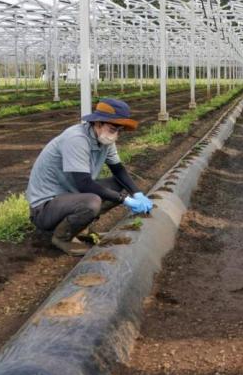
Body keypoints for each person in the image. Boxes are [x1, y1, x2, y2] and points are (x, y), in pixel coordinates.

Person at [25, 97, 153, 256]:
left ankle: (81, 227)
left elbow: (118, 170)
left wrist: (137, 193)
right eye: (113, 129)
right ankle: (62, 237)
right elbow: (84, 184)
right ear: (98, 123)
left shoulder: (104, 140)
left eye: (119, 130)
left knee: (118, 184)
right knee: (92, 201)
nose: (115, 136)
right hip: (45, 208)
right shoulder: (76, 139)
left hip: (68, 197)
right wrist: (124, 199)